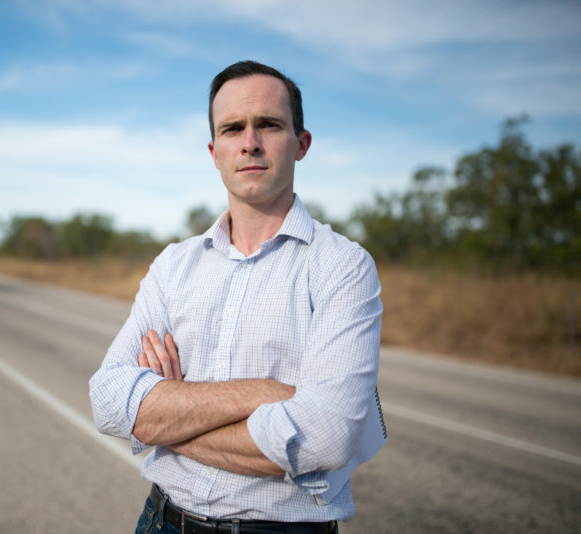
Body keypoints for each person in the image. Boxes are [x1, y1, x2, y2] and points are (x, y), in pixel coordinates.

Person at [89, 60, 386, 534]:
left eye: (269, 124)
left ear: (301, 143)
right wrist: (263, 394)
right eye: (232, 129)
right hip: (162, 522)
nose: (250, 142)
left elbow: (326, 439)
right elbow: (107, 400)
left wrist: (165, 416)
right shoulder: (173, 265)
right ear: (214, 152)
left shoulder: (342, 267)